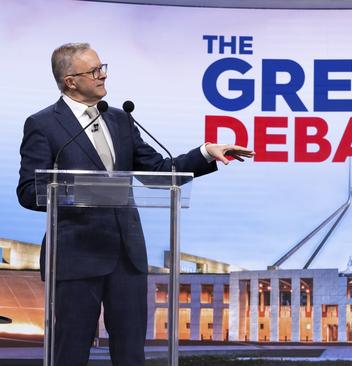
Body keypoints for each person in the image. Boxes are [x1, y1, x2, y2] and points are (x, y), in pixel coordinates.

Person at [16, 43, 254, 366]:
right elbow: (30, 190)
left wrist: (206, 153)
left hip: (126, 259)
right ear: (70, 80)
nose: (103, 76)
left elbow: (157, 173)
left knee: (131, 355)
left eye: (103, 67)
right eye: (95, 71)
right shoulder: (43, 125)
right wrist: (86, 193)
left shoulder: (120, 119)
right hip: (76, 258)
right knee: (69, 353)